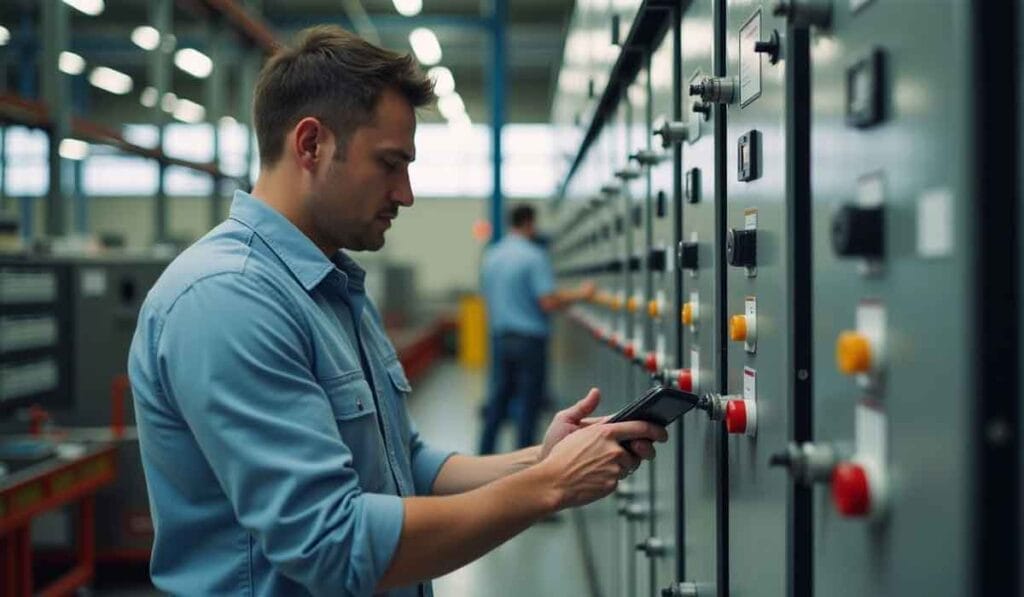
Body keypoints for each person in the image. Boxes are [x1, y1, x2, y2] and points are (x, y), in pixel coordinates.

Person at [128, 26, 667, 597]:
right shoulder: (228, 299)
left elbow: (404, 461)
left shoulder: (331, 285)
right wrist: (550, 487)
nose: (406, 193)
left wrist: (541, 459)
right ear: (310, 145)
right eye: (390, 164)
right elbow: (331, 544)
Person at [478, 205, 595, 454]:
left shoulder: (492, 255)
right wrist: (581, 294)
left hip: (500, 338)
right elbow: (547, 301)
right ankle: (526, 461)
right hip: (529, 341)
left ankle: (483, 455)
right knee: (529, 405)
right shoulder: (533, 256)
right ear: (530, 223)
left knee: (498, 401)